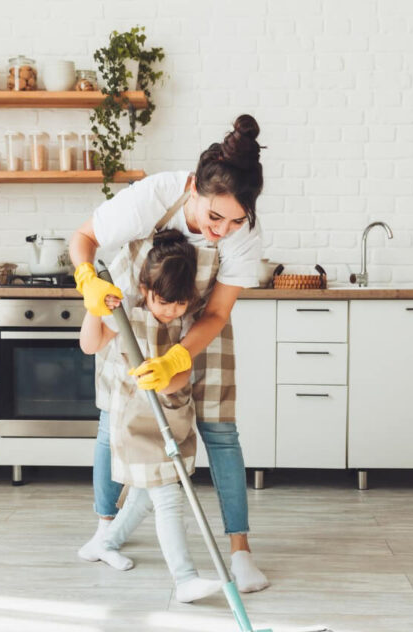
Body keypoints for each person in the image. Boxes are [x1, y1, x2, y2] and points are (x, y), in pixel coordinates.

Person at [72, 115, 269, 593]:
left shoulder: (244, 234)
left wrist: (179, 359)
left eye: (236, 220)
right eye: (214, 217)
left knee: (221, 433)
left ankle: (240, 552)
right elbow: (85, 238)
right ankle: (105, 530)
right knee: (113, 423)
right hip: (135, 320)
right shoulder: (157, 195)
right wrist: (88, 282)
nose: (222, 230)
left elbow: (216, 312)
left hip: (201, 328)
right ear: (194, 189)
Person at [78, 230, 222, 603]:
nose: (170, 310)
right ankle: (185, 579)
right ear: (144, 288)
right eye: (163, 301)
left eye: (179, 303)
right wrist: (94, 307)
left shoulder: (187, 320)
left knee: (145, 493)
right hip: (135, 421)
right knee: (167, 495)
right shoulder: (125, 312)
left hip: (173, 416)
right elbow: (90, 345)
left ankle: (105, 543)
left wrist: (169, 375)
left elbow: (184, 374)